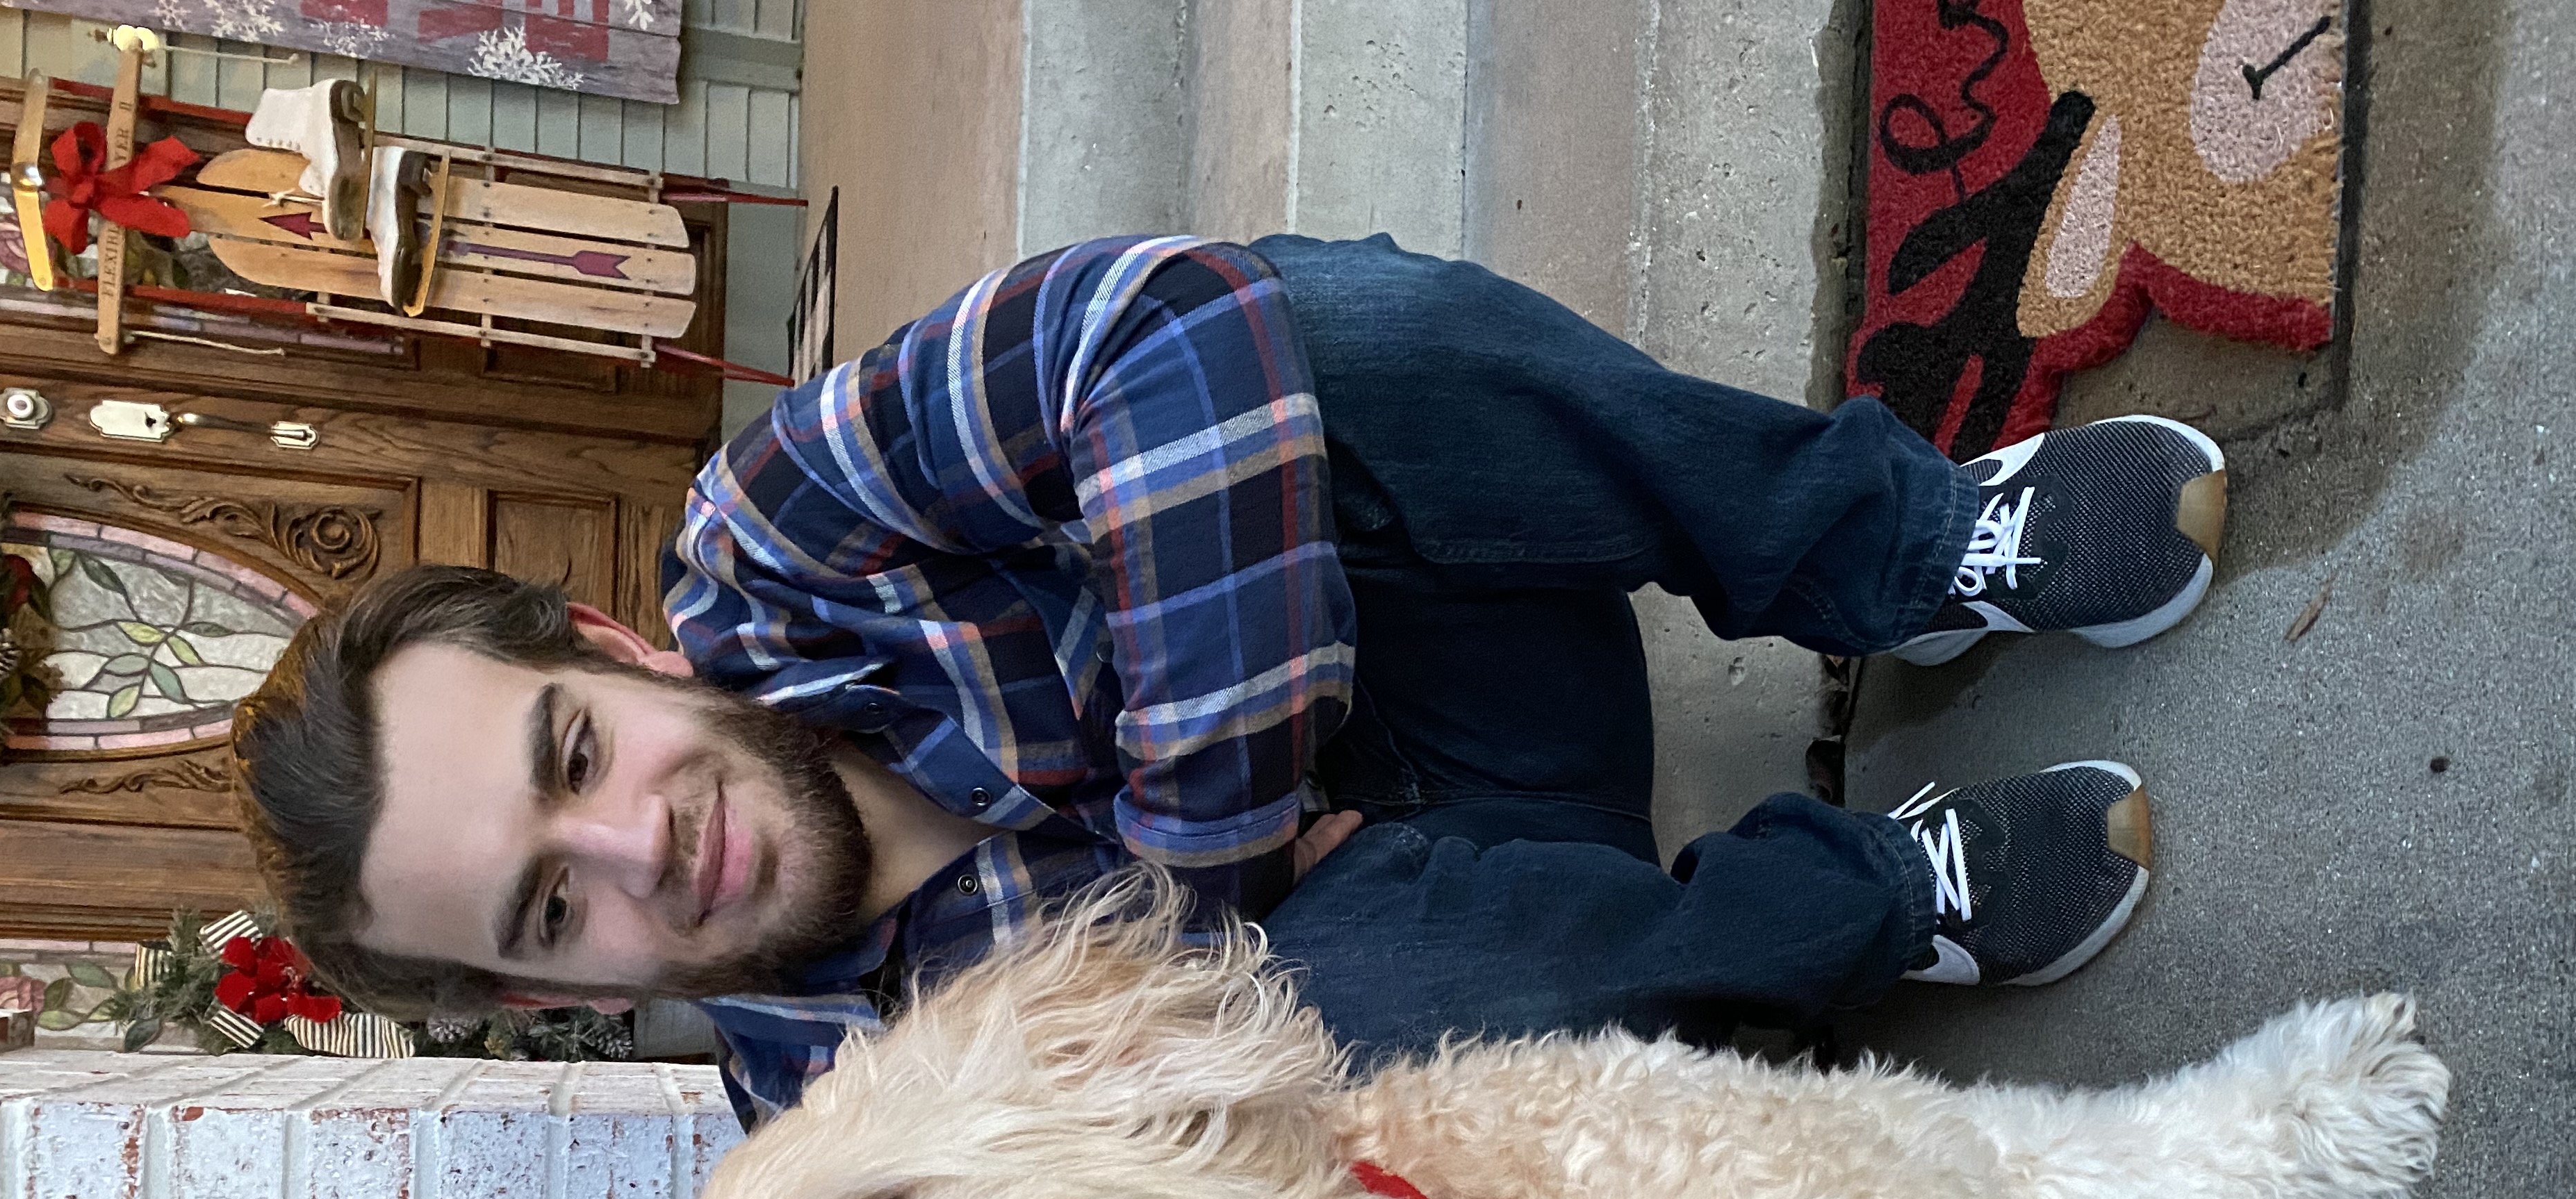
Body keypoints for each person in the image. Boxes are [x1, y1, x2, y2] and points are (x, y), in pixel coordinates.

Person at [232, 234, 2225, 1129]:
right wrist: (1251, 935)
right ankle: (1876, 900)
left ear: (606, 645)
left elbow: (1152, 325)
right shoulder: (841, 1120)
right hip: (1534, 976)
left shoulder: (776, 540)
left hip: (1473, 649)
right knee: (1308, 1051)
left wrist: (1205, 870)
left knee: (1325, 333)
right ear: (539, 996)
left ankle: (1894, 551)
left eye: (574, 753)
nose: (638, 843)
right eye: (551, 902)